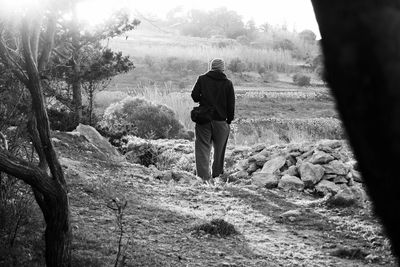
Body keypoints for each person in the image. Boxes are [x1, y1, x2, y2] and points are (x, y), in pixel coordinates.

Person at [191, 58, 235, 182]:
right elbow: (231, 105)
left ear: (211, 67)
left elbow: (194, 96)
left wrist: (204, 99)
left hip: (204, 120)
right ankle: (217, 177)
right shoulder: (227, 83)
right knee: (219, 151)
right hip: (221, 122)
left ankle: (204, 179)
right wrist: (229, 120)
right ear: (222, 68)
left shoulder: (202, 79)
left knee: (202, 149)